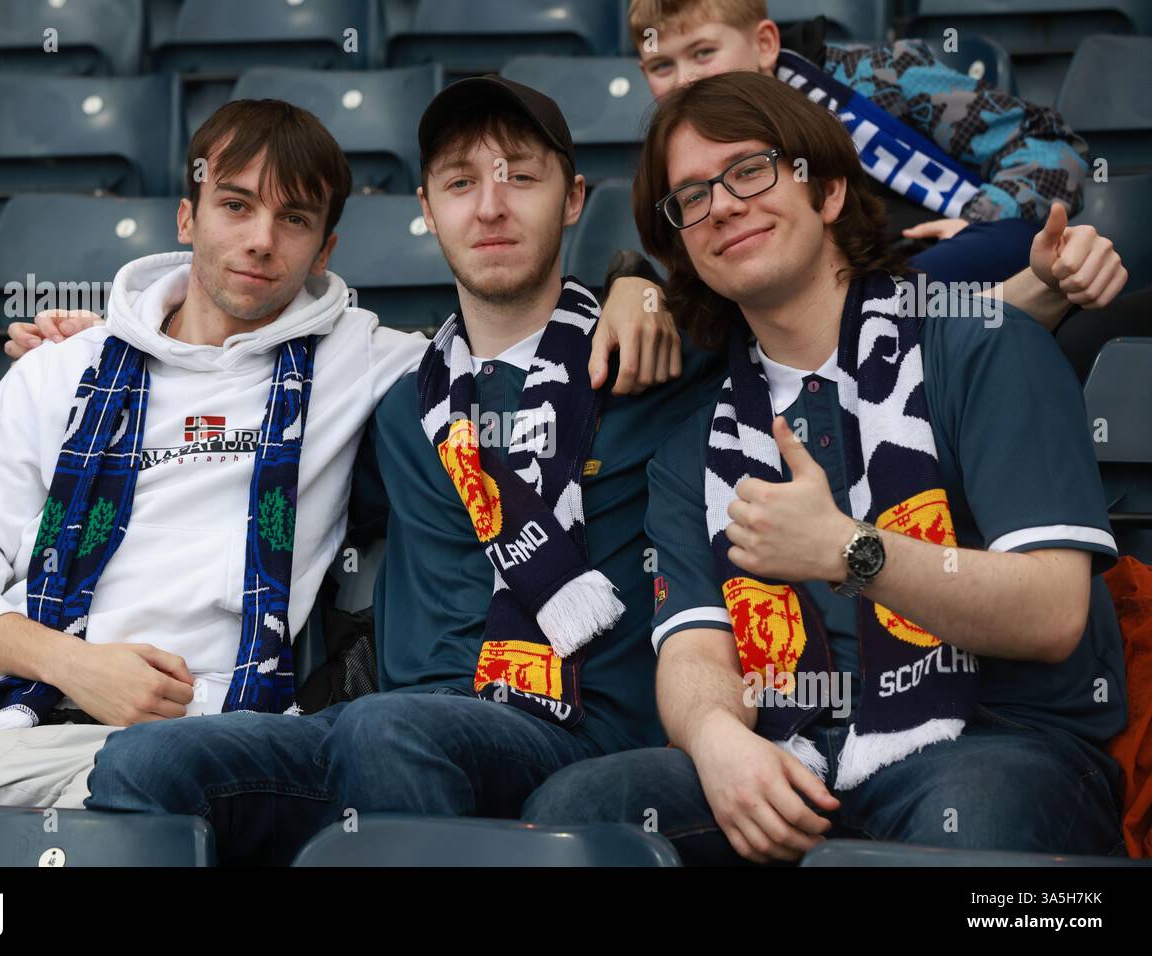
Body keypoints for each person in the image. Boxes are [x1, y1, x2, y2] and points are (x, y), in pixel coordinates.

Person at [0, 96, 670, 848]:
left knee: (157, 780)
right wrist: (68, 663)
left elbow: (513, 335)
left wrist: (638, 282)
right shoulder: (66, 368)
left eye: (294, 218)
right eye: (236, 206)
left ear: (325, 248)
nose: (259, 241)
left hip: (180, 729)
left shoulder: (377, 370)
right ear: (188, 214)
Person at [78, 77, 726, 865]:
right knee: (146, 761)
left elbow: (768, 281)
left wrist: (641, 284)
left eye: (520, 177)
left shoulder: (648, 364)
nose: (489, 207)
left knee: (390, 726)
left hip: (574, 727)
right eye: (460, 184)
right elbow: (229, 392)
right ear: (427, 207)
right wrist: (116, 342)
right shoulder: (397, 399)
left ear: (573, 198)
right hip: (385, 738)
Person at [521, 71, 1129, 864]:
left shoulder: (984, 345)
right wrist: (714, 742)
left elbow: (1052, 613)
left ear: (831, 190)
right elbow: (695, 651)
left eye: (749, 170)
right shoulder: (695, 449)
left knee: (975, 812)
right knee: (578, 807)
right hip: (797, 754)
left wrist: (853, 553)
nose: (725, 205)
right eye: (693, 196)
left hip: (997, 742)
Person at [599, 0, 1095, 342]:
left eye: (704, 52)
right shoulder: (680, 153)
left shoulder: (881, 76)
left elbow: (1052, 148)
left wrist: (983, 217)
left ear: (765, 44)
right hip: (817, 309)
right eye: (662, 66)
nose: (686, 78)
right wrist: (633, 284)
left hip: (946, 258)